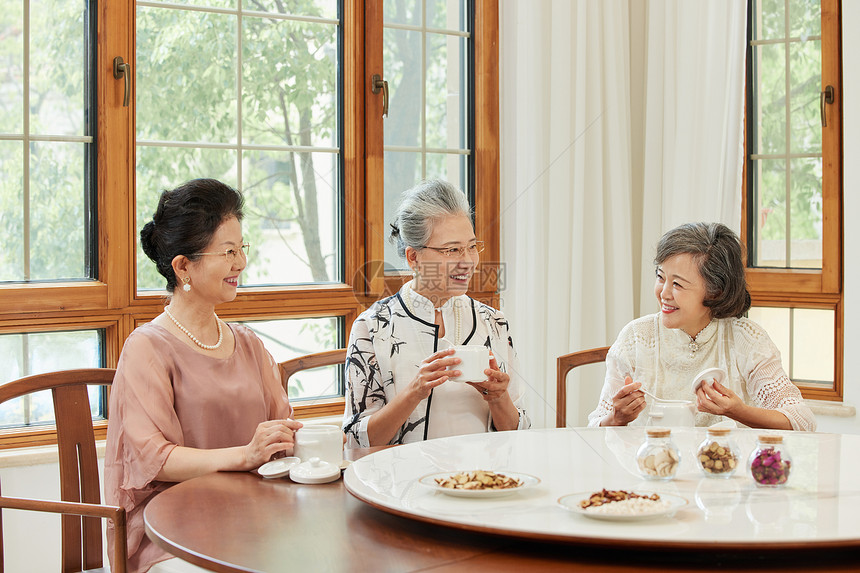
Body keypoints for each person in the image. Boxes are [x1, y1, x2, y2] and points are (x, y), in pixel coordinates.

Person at [104, 179, 302, 573]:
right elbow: (155, 461)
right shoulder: (147, 348)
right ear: (183, 267)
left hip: (251, 518)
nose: (240, 263)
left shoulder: (247, 343)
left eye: (241, 249)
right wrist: (246, 456)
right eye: (228, 252)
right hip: (172, 531)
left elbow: (285, 430)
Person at [343, 179, 530, 447]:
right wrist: (414, 392)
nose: (467, 261)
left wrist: (499, 398)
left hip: (482, 482)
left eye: (472, 246)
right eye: (452, 249)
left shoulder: (494, 323)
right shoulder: (373, 328)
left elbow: (520, 433)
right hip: (403, 484)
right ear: (413, 258)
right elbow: (356, 441)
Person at [587, 222, 815, 431]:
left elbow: (802, 421)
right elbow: (595, 426)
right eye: (660, 277)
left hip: (727, 471)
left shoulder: (746, 339)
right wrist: (616, 418)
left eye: (677, 284)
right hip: (653, 470)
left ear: (716, 291)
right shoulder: (636, 337)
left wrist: (737, 411)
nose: (664, 293)